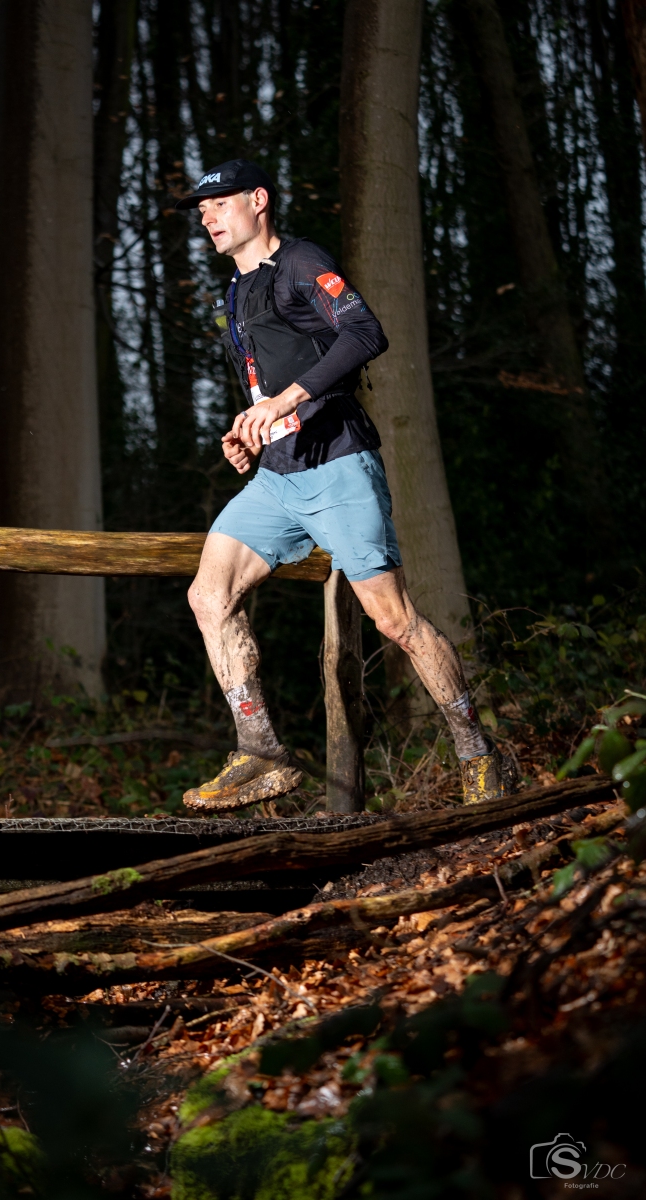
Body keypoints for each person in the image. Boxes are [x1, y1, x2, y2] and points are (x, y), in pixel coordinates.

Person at [176, 159, 514, 812]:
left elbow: (365, 333)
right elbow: (267, 385)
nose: (208, 217)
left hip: (339, 465)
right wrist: (249, 433)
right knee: (208, 596)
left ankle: (479, 754)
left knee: (395, 621)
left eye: (219, 203)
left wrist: (288, 400)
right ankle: (262, 752)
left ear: (258, 201)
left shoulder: (301, 263)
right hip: (277, 478)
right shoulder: (235, 293)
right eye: (202, 210)